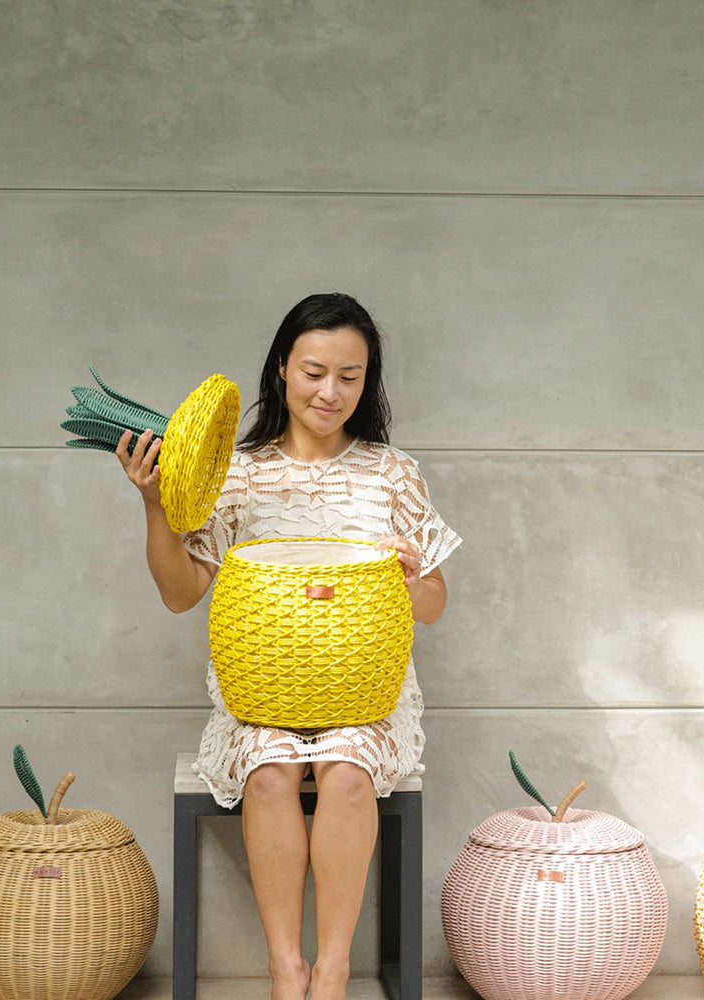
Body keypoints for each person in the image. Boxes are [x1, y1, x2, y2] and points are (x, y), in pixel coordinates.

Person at [116, 292, 460, 1000]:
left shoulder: (393, 473)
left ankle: (331, 972)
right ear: (280, 369)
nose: (330, 392)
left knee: (346, 767)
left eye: (350, 376)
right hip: (260, 691)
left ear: (369, 382)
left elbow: (434, 604)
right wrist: (154, 504)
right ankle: (286, 969)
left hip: (367, 696)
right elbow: (182, 592)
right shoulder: (235, 473)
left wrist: (409, 577)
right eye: (313, 371)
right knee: (270, 772)